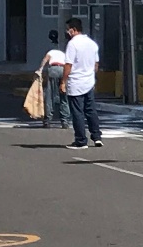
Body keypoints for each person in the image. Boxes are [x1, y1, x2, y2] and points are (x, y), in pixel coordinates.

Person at [61, 18, 103, 149]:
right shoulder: (92, 43)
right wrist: (92, 77)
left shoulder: (73, 44)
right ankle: (97, 137)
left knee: (77, 112)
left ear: (73, 30)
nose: (67, 32)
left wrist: (63, 81)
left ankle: (81, 140)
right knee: (91, 110)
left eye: (68, 30)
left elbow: (68, 64)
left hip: (76, 82)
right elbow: (96, 65)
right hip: (89, 82)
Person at [36, 33, 70, 129]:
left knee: (50, 96)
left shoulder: (51, 52)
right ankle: (65, 121)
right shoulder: (63, 54)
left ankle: (47, 120)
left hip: (54, 69)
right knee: (64, 97)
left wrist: (40, 69)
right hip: (63, 70)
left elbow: (45, 60)